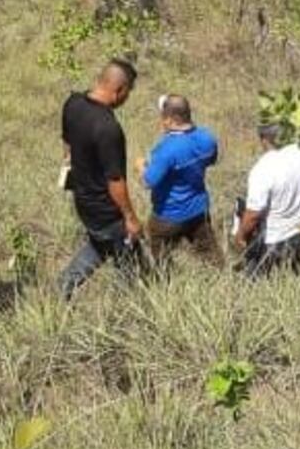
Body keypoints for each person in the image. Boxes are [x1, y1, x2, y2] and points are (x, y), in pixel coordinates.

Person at [58, 59, 142, 298]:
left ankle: (63, 286)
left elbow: (67, 143)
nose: (127, 98)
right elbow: (115, 180)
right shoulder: (108, 128)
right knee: (129, 263)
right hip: (106, 209)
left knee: (99, 245)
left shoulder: (72, 103)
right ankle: (128, 305)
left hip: (83, 200)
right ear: (119, 90)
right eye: (129, 93)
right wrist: (130, 217)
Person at [137, 94, 222, 266]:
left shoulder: (166, 149)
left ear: (170, 120)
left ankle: (165, 286)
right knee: (211, 256)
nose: (161, 120)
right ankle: (224, 282)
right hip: (199, 209)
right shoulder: (207, 138)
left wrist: (140, 165)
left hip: (168, 215)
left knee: (160, 259)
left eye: (162, 116)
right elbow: (211, 160)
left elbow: (148, 182)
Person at [234, 120, 300, 276]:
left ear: (264, 139)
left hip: (277, 239)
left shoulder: (263, 169)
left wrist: (240, 236)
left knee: (252, 280)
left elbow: (253, 215)